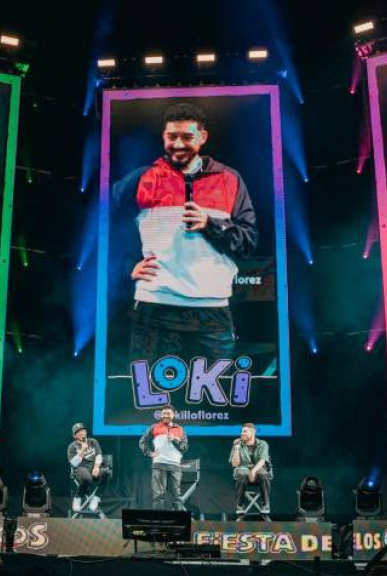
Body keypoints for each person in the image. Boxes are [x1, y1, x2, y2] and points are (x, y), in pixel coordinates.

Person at [113, 103, 257, 363]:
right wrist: (124, 268)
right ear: (163, 137)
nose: (178, 144)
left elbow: (248, 243)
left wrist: (209, 224)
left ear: (202, 138)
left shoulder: (230, 179)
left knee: (212, 398)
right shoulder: (142, 178)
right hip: (155, 304)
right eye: (172, 137)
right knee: (149, 397)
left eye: (187, 137)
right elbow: (98, 224)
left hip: (211, 308)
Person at [138, 406, 189, 510]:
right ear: (161, 415)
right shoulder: (154, 427)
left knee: (177, 497)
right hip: (159, 465)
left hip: (175, 466)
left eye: (168, 413)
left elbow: (185, 448)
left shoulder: (179, 429)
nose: (166, 415)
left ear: (173, 415)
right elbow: (142, 441)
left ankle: (178, 523)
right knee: (158, 496)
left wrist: (175, 439)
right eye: (164, 413)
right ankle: (158, 523)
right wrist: (149, 453)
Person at [229, 422, 271, 520]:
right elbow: (235, 464)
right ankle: (240, 505)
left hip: (258, 470)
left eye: (244, 431)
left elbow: (263, 460)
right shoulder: (238, 444)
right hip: (244, 470)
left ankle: (265, 504)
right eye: (241, 432)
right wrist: (236, 449)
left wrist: (253, 471)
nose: (241, 434)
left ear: (253, 432)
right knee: (242, 473)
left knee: (263, 474)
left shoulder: (263, 444)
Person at [67, 422, 104, 513]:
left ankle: (96, 498)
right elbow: (74, 463)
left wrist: (96, 467)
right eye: (78, 432)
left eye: (83, 430)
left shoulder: (93, 442)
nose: (81, 432)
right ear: (75, 436)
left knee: (107, 472)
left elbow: (99, 455)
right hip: (80, 468)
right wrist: (82, 450)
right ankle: (77, 498)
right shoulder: (72, 446)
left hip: (93, 468)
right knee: (87, 478)